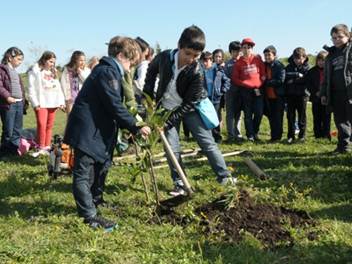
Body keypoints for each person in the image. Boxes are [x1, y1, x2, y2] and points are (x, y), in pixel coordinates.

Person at [63, 36, 151, 231]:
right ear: (120, 56)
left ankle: (96, 200)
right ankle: (89, 216)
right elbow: (114, 105)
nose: (130, 68)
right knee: (84, 172)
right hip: (87, 130)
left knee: (101, 165)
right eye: (130, 63)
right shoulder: (106, 72)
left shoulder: (109, 71)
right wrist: (135, 126)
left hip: (97, 129)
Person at [143, 25, 236, 196]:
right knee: (171, 147)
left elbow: (189, 104)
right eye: (188, 54)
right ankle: (180, 183)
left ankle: (224, 177)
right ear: (179, 46)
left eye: (196, 56)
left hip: (190, 108)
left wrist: (168, 123)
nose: (191, 59)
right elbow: (151, 70)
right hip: (166, 107)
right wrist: (148, 94)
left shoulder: (196, 71)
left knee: (206, 142)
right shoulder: (164, 57)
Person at [321, 24, 352, 153]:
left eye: (340, 36)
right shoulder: (330, 55)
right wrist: (324, 93)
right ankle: (343, 146)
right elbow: (326, 77)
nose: (337, 39)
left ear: (348, 36)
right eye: (334, 37)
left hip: (350, 92)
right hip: (335, 94)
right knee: (340, 121)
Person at [28, 51, 65, 156]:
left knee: (49, 125)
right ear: (44, 60)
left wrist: (61, 102)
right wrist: (35, 103)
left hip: (52, 103)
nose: (52, 64)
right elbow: (31, 88)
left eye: (54, 62)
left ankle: (47, 146)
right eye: (50, 61)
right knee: (41, 124)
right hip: (41, 103)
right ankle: (40, 147)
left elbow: (58, 89)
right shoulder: (35, 71)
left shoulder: (53, 73)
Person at [232, 38, 265, 141]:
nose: (247, 49)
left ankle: (255, 132)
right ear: (241, 49)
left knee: (259, 113)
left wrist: (260, 83)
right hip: (245, 91)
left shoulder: (257, 59)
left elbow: (263, 74)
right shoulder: (238, 62)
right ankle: (250, 135)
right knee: (247, 114)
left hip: (258, 90)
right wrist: (245, 84)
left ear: (252, 48)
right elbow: (234, 78)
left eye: (249, 47)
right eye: (244, 47)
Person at [0, 47, 26, 157]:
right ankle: (4, 152)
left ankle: (13, 151)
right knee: (8, 130)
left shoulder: (15, 72)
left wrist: (24, 100)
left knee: (17, 129)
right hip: (9, 104)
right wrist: (7, 97)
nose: (20, 62)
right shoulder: (2, 70)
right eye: (19, 59)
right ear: (10, 57)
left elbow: (19, 87)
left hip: (19, 103)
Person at [201, 51, 230, 143]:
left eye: (207, 60)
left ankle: (217, 137)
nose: (205, 63)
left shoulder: (218, 70)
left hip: (215, 99)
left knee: (215, 118)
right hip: (204, 99)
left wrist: (222, 91)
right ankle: (208, 138)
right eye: (203, 60)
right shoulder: (200, 71)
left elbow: (227, 81)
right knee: (205, 118)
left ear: (211, 60)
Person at [284, 47, 310, 144]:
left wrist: (293, 80)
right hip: (290, 95)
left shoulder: (307, 67)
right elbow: (285, 76)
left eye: (299, 58)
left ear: (304, 57)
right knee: (290, 116)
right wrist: (297, 75)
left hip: (303, 95)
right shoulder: (288, 66)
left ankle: (302, 135)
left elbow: (306, 79)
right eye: (295, 58)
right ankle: (290, 136)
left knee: (302, 116)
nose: (297, 60)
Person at [306, 50, 331, 139]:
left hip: (327, 97)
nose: (321, 62)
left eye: (323, 60)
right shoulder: (311, 71)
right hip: (316, 97)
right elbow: (308, 84)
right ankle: (317, 134)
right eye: (319, 60)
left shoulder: (330, 71)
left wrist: (325, 93)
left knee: (326, 117)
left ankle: (326, 135)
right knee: (317, 117)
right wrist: (315, 92)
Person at [262, 45, 286, 142]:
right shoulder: (264, 65)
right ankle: (273, 136)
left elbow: (280, 80)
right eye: (265, 55)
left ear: (274, 55)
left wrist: (266, 82)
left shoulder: (279, 65)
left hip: (278, 96)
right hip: (268, 96)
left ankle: (277, 137)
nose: (267, 57)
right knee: (271, 117)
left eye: (269, 55)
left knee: (278, 118)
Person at [224, 41, 243, 142]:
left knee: (239, 114)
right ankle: (230, 135)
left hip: (241, 93)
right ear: (231, 52)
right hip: (230, 93)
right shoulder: (228, 64)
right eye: (234, 51)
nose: (237, 53)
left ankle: (238, 134)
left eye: (238, 51)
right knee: (230, 114)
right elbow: (226, 78)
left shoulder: (244, 63)